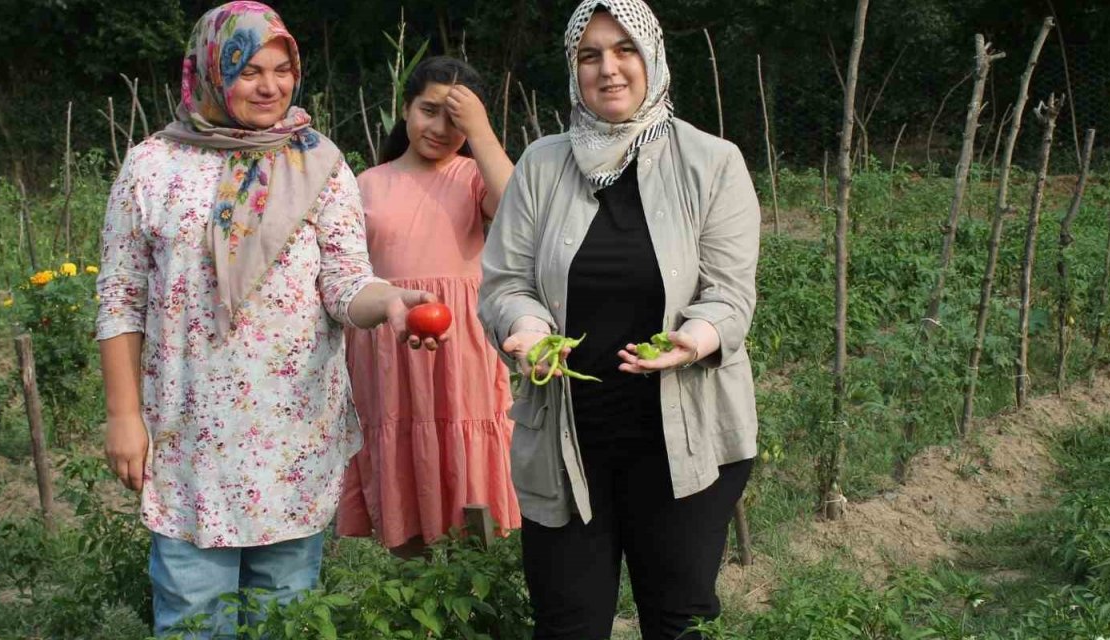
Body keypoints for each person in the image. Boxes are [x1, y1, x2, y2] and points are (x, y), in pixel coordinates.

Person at [96, 2, 444, 636]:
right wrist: (124, 415)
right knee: (193, 616)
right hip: (189, 429)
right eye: (249, 70)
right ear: (209, 69)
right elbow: (120, 297)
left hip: (291, 428)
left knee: (286, 612)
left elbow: (344, 282)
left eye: (282, 70)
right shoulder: (152, 166)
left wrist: (390, 303)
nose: (270, 87)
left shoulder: (318, 163)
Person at [477, 1, 761, 638]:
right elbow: (507, 282)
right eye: (590, 54)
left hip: (684, 437)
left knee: (677, 617)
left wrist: (692, 341)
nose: (609, 68)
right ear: (573, 68)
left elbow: (730, 294)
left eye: (624, 49)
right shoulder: (541, 166)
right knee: (567, 620)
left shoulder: (712, 163)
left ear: (653, 56)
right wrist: (524, 329)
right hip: (567, 439)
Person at [336, 56, 520, 557]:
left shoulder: (473, 177)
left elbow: (519, 209)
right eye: (428, 111)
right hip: (388, 350)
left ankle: (478, 578)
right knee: (402, 453)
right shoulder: (367, 184)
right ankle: (412, 585)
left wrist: (481, 133)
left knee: (467, 453)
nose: (440, 128)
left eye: (455, 119)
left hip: (461, 350)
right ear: (405, 108)